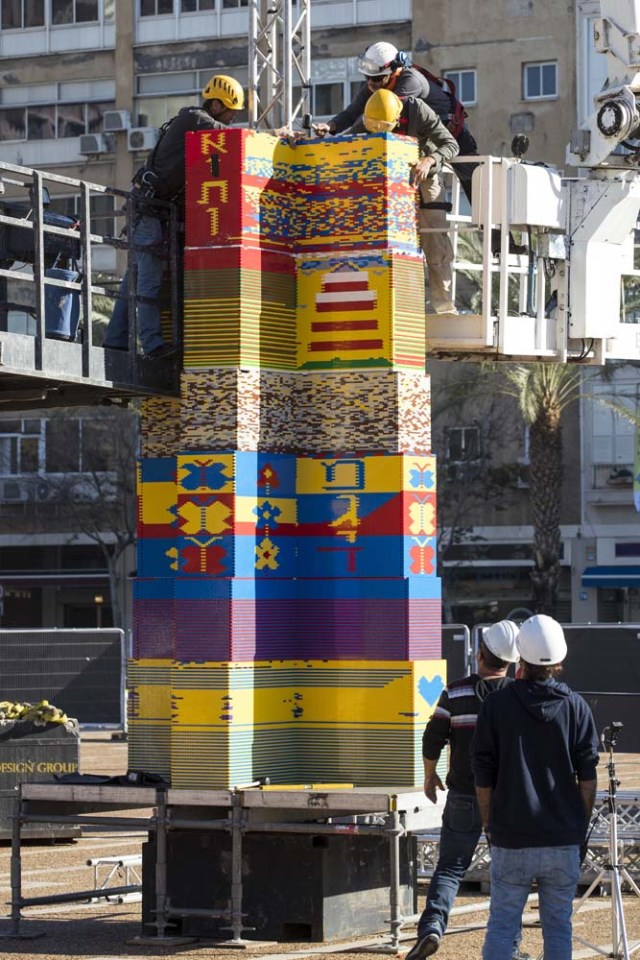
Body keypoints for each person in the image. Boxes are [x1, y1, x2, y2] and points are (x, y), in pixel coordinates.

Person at [471, 615, 599, 960]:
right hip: (562, 839)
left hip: (511, 837)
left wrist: (488, 824)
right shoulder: (576, 707)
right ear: (559, 660)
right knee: (558, 929)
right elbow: (588, 779)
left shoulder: (496, 707)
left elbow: (482, 774)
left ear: (520, 658)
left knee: (502, 926)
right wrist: (577, 826)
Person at [405, 620, 530, 960]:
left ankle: (431, 929)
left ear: (481, 653)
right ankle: (511, 949)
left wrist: (430, 776)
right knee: (508, 875)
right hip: (506, 800)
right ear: (512, 660)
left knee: (449, 868)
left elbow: (432, 737)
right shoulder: (518, 697)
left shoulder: (456, 691)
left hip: (463, 795)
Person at [103, 74, 245, 359]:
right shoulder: (194, 119)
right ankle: (153, 345)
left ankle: (115, 342)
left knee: (134, 279)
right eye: (230, 112)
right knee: (149, 281)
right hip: (149, 211)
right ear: (216, 105)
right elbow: (227, 136)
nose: (231, 118)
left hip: (152, 210)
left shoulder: (195, 125)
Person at [315, 42, 478, 206]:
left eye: (377, 78)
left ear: (394, 71)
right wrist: (331, 126)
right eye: (367, 77)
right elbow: (353, 111)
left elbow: (378, 118)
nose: (371, 83)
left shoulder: (410, 82)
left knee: (478, 190)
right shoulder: (377, 82)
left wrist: (338, 145)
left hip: (452, 134)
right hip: (426, 139)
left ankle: (495, 231)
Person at [362, 88, 459, 315]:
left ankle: (443, 307)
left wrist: (430, 159)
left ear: (398, 118)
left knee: (434, 238)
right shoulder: (373, 115)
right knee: (393, 243)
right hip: (391, 180)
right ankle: (401, 306)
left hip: (425, 175)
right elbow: (347, 139)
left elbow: (451, 145)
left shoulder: (417, 110)